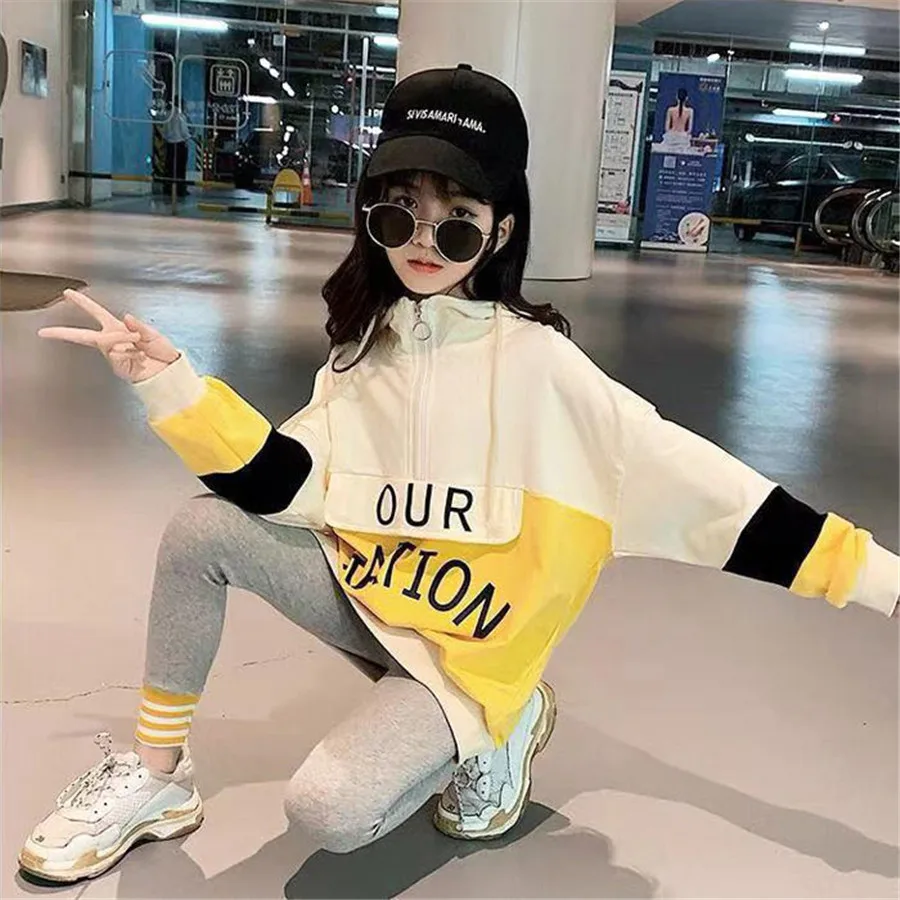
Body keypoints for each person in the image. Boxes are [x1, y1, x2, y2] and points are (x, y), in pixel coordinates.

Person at [19, 64, 898, 885]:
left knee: (327, 811)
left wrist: (890, 587)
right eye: (399, 213)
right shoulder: (365, 352)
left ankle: (507, 724)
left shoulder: (549, 374)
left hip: (470, 657)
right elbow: (285, 485)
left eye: (458, 220)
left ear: (502, 229)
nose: (424, 243)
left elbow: (731, 505)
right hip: (373, 599)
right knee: (201, 528)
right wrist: (171, 385)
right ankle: (158, 774)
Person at [160, 97, 192, 198]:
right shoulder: (180, 115)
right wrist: (188, 138)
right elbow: (184, 131)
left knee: (169, 167)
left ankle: (168, 188)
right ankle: (180, 189)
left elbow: (164, 131)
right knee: (180, 168)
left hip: (170, 144)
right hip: (180, 144)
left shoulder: (168, 114)